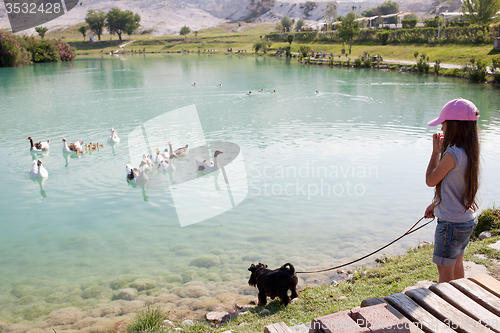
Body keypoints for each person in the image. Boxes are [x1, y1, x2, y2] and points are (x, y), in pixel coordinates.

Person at [424, 98, 480, 283]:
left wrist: (435, 152)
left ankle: (447, 306)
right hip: (465, 220)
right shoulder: (470, 152)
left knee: (444, 270)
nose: (441, 129)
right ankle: (460, 297)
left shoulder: (451, 154)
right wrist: (436, 204)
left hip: (450, 224)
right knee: (457, 263)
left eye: (443, 124)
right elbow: (455, 187)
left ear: (454, 126)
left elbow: (430, 181)